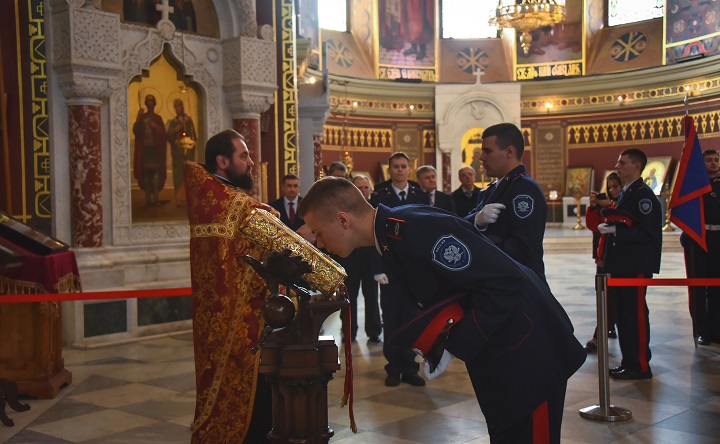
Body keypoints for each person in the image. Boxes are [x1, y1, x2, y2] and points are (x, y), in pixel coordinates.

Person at [297, 177, 586, 444]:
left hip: (529, 352)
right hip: (503, 350)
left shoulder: (410, 230)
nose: (321, 244)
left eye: (320, 234)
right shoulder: (393, 233)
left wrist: (456, 344)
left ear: (343, 220)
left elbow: (504, 283)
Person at [184, 129, 273, 443]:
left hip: (227, 315)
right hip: (237, 320)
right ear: (222, 161)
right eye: (243, 156)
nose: (251, 162)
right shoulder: (227, 202)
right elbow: (262, 228)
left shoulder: (217, 197)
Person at [600, 148, 662, 380]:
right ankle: (630, 361)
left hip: (634, 264)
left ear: (636, 166)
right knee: (625, 314)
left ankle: (640, 366)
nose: (617, 166)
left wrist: (616, 232)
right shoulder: (629, 192)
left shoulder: (643, 195)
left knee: (634, 314)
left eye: (622, 163)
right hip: (622, 264)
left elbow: (648, 233)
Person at [369, 152, 429, 387]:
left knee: (413, 318)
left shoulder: (420, 195)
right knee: (392, 319)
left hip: (414, 270)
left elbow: (427, 233)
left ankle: (411, 367)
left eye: (404, 166)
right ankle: (393, 368)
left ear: (409, 169)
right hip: (390, 269)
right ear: (390, 170)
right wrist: (377, 268)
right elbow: (373, 233)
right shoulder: (379, 196)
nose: (400, 170)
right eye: (396, 167)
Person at [466, 123, 548, 281]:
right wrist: (477, 221)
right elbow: (465, 223)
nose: (481, 157)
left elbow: (523, 248)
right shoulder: (491, 189)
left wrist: (477, 250)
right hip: (498, 283)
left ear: (510, 152)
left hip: (518, 286)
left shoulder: (525, 189)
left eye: (487, 151)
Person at [337, 175, 383, 343]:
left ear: (370, 190)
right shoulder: (343, 209)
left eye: (365, 187)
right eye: (359, 187)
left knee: (372, 297)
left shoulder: (377, 208)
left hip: (371, 260)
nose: (363, 190)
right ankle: (349, 331)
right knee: (349, 298)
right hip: (349, 259)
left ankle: (374, 331)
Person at [681, 149, 720, 346]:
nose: (713, 163)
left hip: (718, 239)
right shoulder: (694, 185)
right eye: (708, 160)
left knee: (717, 288)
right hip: (698, 238)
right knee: (698, 288)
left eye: (716, 160)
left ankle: (716, 330)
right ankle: (701, 330)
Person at [583, 173, 622, 353]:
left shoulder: (622, 204)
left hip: (617, 258)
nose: (613, 190)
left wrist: (611, 208)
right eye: (610, 187)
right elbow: (593, 226)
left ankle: (599, 336)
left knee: (612, 298)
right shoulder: (602, 207)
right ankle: (608, 326)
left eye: (616, 186)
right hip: (602, 256)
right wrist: (593, 207)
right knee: (603, 295)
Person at [133, 94, 168, 209]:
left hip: (155, 150)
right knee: (147, 175)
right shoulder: (142, 117)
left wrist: (155, 127)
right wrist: (138, 118)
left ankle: (156, 199)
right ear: (146, 103)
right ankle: (148, 200)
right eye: (148, 101)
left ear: (154, 103)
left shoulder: (157, 118)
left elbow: (163, 134)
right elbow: (136, 132)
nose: (150, 103)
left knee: (156, 175)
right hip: (145, 150)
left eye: (152, 101)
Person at [166, 98, 197, 206]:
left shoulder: (188, 120)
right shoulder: (173, 122)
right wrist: (176, 130)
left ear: (182, 106)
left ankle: (189, 198)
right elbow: (169, 136)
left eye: (179, 106)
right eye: (175, 106)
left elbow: (193, 136)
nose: (177, 108)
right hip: (177, 152)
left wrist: (190, 143)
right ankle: (179, 198)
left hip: (188, 152)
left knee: (188, 174)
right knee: (178, 174)